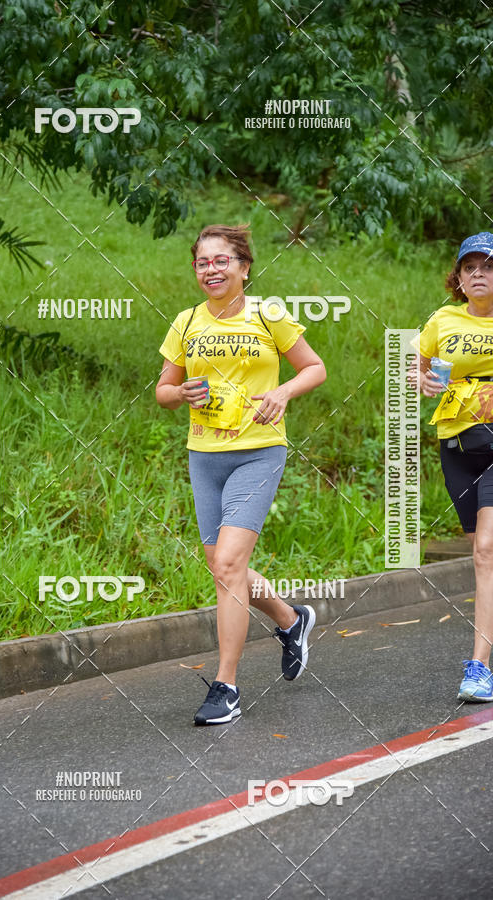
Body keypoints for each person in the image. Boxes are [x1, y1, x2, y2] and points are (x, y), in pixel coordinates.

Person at [156, 224, 326, 725]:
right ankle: (292, 620)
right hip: (204, 456)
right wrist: (181, 393)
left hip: (258, 451)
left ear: (244, 267)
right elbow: (163, 390)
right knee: (222, 568)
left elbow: (314, 367)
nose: (211, 269)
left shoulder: (267, 314)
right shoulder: (186, 322)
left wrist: (282, 393)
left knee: (228, 564)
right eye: (203, 262)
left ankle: (225, 685)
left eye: (221, 260)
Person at [418, 231, 493, 702]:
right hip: (457, 443)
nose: (479, 274)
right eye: (471, 267)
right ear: (459, 276)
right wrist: (422, 379)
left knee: (486, 551)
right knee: (484, 556)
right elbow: (420, 364)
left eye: (488, 266)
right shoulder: (443, 319)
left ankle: (479, 667)